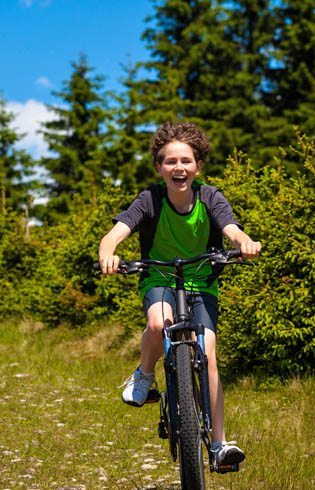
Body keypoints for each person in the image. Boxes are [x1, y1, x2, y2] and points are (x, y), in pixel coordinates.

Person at [97, 122, 261, 467]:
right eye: (170, 161)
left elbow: (231, 228)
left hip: (201, 284)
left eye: (186, 161)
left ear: (198, 166)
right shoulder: (150, 199)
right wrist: (108, 254)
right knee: (159, 324)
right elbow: (113, 235)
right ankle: (144, 374)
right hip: (159, 278)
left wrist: (244, 242)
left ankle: (219, 444)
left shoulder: (210, 197)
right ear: (159, 168)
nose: (179, 168)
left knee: (208, 352)